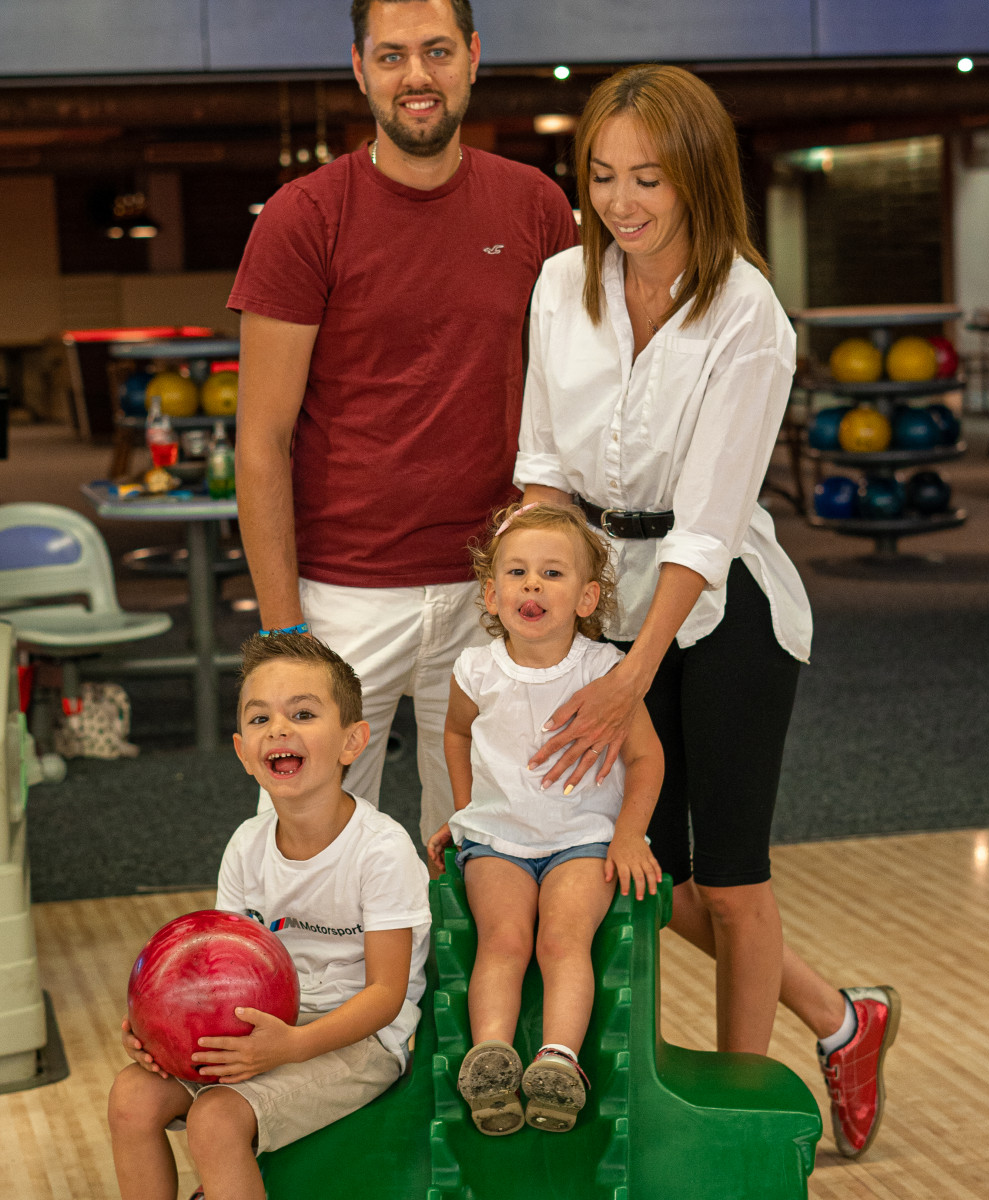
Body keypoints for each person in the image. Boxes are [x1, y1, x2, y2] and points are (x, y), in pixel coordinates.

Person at [513, 64, 899, 1159]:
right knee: (636, 869)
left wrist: (628, 671)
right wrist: (553, 608)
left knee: (729, 885)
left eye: (650, 178)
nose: (623, 204)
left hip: (721, 607)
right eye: (602, 177)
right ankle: (840, 1016)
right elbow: (542, 461)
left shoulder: (748, 315)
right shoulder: (557, 284)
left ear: (699, 180)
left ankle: (743, 1127)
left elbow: (707, 529)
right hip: (597, 588)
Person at [230, 0, 578, 845]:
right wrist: (285, 635)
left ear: (472, 57)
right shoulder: (302, 218)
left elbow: (566, 399)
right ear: (359, 68)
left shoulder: (535, 208)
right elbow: (260, 441)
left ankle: (444, 986)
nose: (415, 76)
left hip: (489, 589)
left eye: (435, 52)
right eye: (392, 57)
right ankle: (327, 987)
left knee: (478, 840)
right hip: (345, 594)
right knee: (312, 844)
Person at [107, 634, 431, 1200]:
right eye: (260, 718)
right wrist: (161, 1035)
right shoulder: (246, 845)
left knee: (215, 1120)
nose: (279, 728)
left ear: (353, 741)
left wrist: (290, 1047)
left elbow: (386, 994)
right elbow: (216, 974)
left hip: (361, 1042)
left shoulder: (382, 849)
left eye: (302, 713)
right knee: (131, 1098)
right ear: (241, 750)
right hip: (262, 1032)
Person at [425, 501, 663, 1136]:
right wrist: (465, 811)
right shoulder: (474, 670)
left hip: (583, 839)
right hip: (498, 841)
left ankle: (558, 1061)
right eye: (518, 572)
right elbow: (456, 735)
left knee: (562, 940)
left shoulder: (605, 670)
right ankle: (492, 1060)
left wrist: (629, 832)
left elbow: (646, 757)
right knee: (502, 941)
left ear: (587, 598)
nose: (532, 584)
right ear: (492, 591)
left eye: (553, 574)